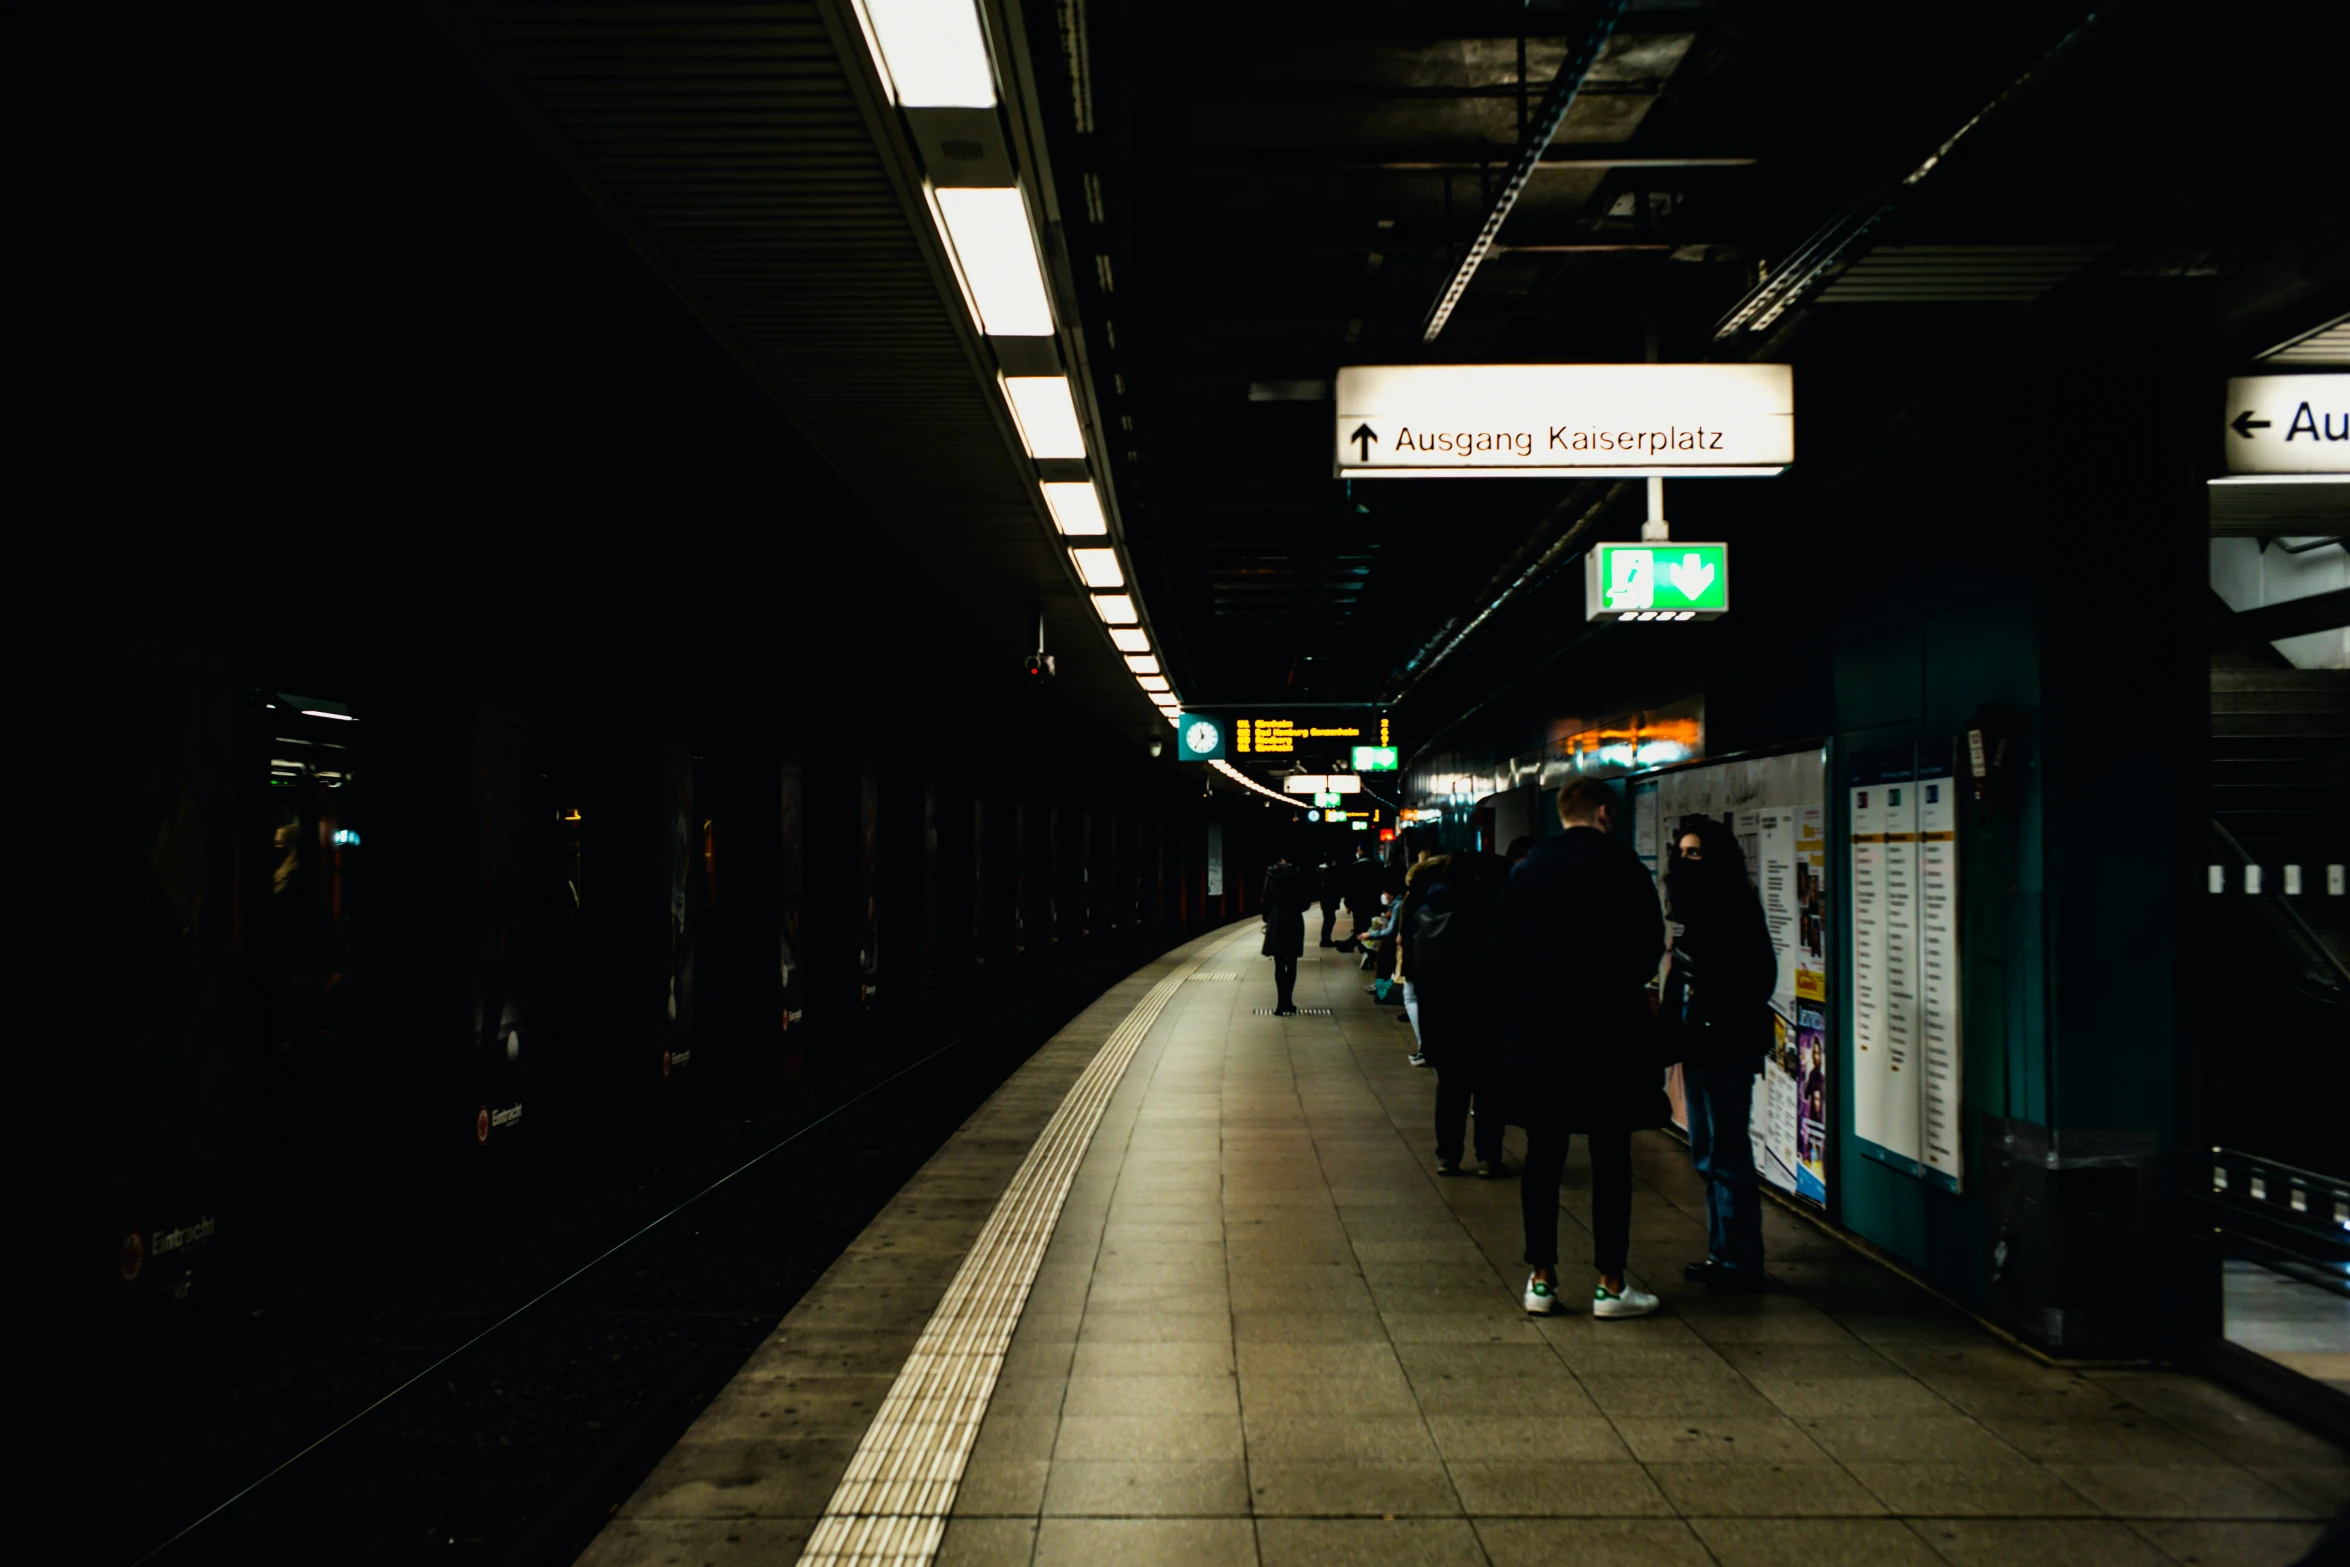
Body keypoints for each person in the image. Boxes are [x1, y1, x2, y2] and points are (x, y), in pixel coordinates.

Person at [1492, 776, 1666, 1320]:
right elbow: (1648, 948)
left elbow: (1502, 954)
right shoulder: (1626, 868)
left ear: (1562, 813)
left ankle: (1541, 1280)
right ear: (1604, 812)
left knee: (1543, 1157)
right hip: (1610, 1036)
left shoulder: (1527, 871)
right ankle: (1611, 1285)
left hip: (1542, 1036)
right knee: (1611, 1158)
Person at [1662, 815, 1778, 1295]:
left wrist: (1708, 1006)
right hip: (1700, 1045)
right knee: (1708, 1152)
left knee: (1726, 1152)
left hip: (1725, 1045)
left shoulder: (1734, 908)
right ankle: (1722, 1251)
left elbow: (1756, 977)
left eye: (1697, 853)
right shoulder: (1695, 908)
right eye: (1683, 853)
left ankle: (1741, 1261)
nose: (1688, 861)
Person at [1412, 850, 1510, 1177]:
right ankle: (1488, 1157)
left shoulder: (1428, 908)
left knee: (1450, 1090)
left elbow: (1419, 970)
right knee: (1489, 1090)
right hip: (1488, 1012)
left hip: (1442, 1014)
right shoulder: (1495, 911)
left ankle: (1448, 1157)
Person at [1393, 828, 1450, 1062]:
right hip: (1448, 950)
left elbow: (1410, 919)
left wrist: (1403, 940)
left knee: (1413, 996)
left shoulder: (1418, 880)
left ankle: (1425, 1047)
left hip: (1420, 948)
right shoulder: (1453, 878)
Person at [1260, 844, 1309, 1016]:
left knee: (1279, 962)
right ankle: (1289, 1001)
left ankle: (1280, 1004)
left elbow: (1266, 898)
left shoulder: (1271, 874)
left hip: (1277, 920)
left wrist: (1267, 918)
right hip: (1294, 919)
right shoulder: (1299, 874)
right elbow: (1306, 902)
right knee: (1292, 962)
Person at [1316, 858, 1339, 947]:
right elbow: (1328, 887)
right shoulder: (1327, 872)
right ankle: (1325, 940)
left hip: (1325, 900)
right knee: (1329, 919)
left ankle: (1326, 939)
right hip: (1328, 900)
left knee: (1329, 919)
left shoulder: (1323, 871)